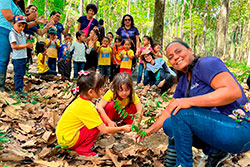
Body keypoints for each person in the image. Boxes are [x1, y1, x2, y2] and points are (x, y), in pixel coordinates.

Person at [138, 40, 250, 167]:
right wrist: (147, 131)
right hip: (219, 131)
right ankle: (215, 151)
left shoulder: (206, 64)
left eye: (178, 51)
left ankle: (184, 164)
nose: (175, 57)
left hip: (240, 128)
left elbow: (233, 92)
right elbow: (169, 111)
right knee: (169, 124)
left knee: (181, 115)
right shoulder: (183, 82)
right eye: (171, 57)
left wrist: (189, 101)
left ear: (190, 51)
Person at [56, 70, 131, 157]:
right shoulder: (87, 106)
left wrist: (109, 122)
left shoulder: (81, 100)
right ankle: (83, 150)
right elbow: (104, 130)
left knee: (98, 117)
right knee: (97, 125)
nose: (103, 90)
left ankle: (83, 144)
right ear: (91, 92)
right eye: (100, 88)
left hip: (64, 137)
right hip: (67, 140)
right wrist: (122, 128)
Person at [0, 0, 37, 91]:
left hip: (17, 34)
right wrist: (28, 18)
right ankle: (1, 86)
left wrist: (36, 21)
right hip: (4, 30)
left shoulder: (18, 7)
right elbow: (8, 16)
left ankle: (18, 85)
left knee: (19, 60)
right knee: (3, 59)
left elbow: (24, 25)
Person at [9, 15, 33, 94]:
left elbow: (25, 41)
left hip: (23, 57)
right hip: (17, 58)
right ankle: (18, 90)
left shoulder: (22, 33)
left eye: (23, 26)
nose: (21, 28)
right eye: (19, 25)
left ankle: (21, 88)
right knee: (18, 74)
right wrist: (26, 46)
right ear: (13, 23)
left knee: (22, 73)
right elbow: (14, 46)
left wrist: (29, 44)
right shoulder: (12, 33)